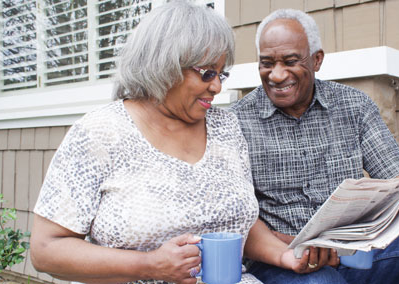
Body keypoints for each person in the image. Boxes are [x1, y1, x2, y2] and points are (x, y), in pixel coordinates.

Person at [30, 2, 263, 283]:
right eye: (207, 73)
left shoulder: (226, 127)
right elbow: (46, 250)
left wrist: (290, 254)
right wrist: (149, 264)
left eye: (221, 74)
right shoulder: (99, 132)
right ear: (165, 65)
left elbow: (239, 222)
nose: (217, 87)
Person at [231, 9, 399, 284]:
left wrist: (368, 234)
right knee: (322, 282)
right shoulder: (237, 122)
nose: (277, 75)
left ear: (317, 60)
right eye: (266, 63)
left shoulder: (355, 105)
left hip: (357, 254)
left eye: (290, 61)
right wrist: (289, 246)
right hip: (282, 261)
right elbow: (235, 214)